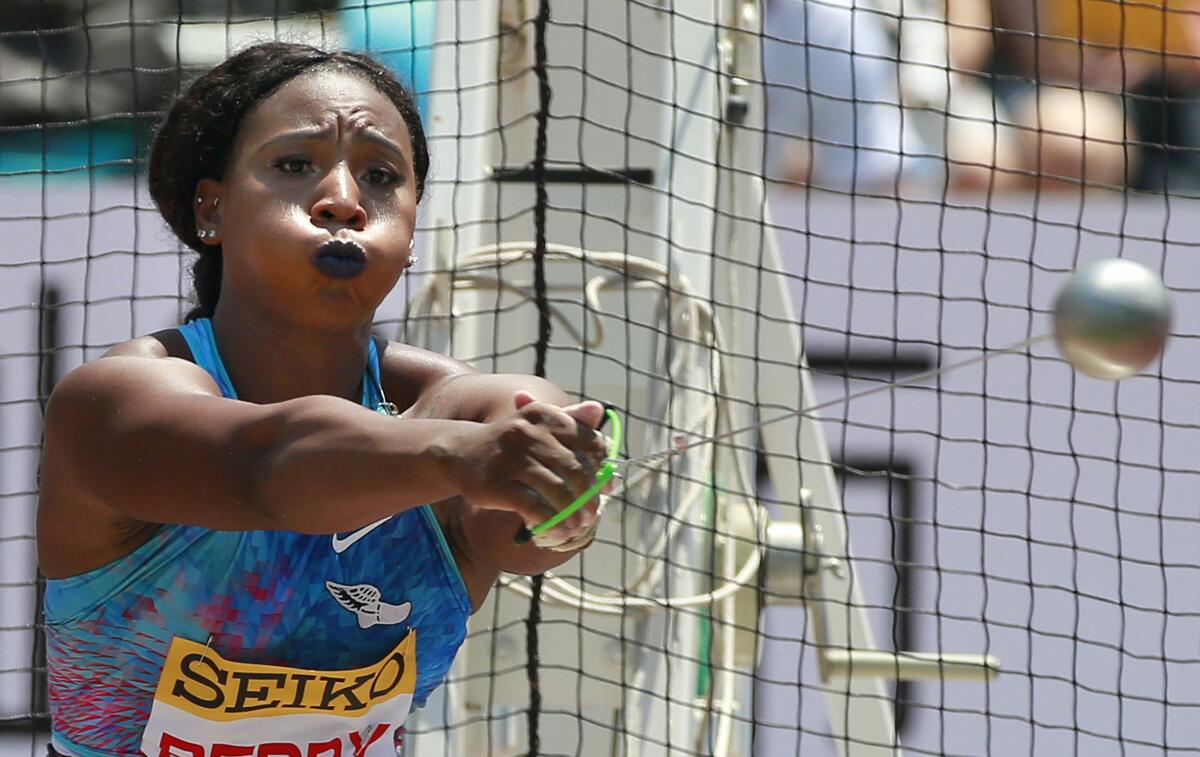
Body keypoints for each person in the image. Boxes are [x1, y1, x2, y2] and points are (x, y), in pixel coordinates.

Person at [36, 42, 608, 756]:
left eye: (380, 176)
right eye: (295, 164)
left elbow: (520, 533)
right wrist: (467, 458)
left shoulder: (464, 411)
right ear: (211, 209)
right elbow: (269, 469)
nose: (343, 198)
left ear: (410, 235)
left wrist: (560, 497)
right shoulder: (113, 402)